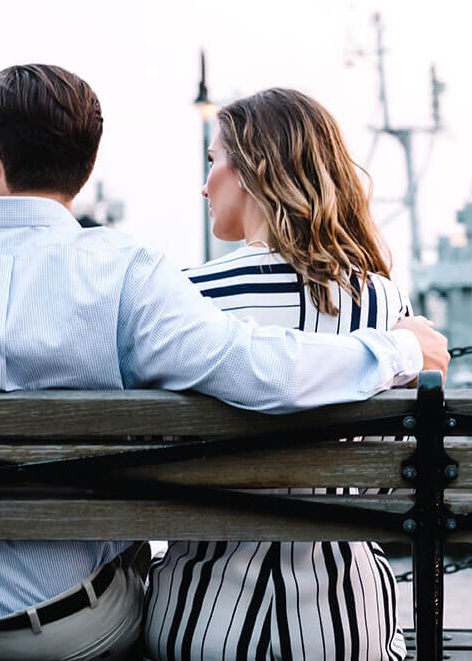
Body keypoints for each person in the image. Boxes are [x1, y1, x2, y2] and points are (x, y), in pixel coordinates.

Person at [0, 66, 447, 661]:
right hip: (78, 630)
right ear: (83, 170)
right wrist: (397, 350)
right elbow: (258, 370)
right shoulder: (127, 275)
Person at [144, 88, 417, 661]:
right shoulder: (382, 305)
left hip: (199, 621)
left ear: (254, 171)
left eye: (213, 161)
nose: (204, 185)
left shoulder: (186, 299)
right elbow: (392, 479)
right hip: (348, 626)